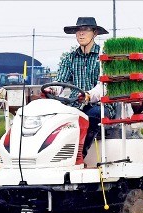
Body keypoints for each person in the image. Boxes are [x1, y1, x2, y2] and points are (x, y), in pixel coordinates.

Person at [53, 17, 115, 157]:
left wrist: (88, 95)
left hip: (100, 105)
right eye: (78, 30)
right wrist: (53, 90)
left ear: (95, 33)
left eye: (86, 30)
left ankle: (80, 154)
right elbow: (60, 82)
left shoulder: (103, 57)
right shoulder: (70, 58)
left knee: (92, 115)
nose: (81, 33)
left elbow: (103, 86)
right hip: (75, 105)